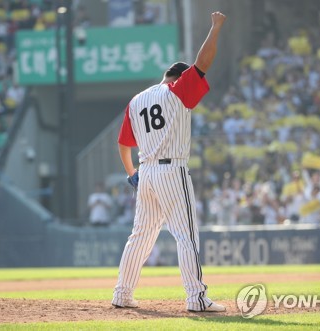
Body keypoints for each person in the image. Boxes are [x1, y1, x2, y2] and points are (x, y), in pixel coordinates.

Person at [112, 11, 227, 312]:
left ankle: (122, 294)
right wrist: (214, 28)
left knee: (140, 236)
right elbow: (203, 63)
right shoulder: (176, 91)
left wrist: (132, 175)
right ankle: (197, 298)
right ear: (178, 77)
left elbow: (123, 144)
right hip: (171, 170)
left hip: (146, 172)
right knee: (186, 234)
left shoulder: (136, 100)